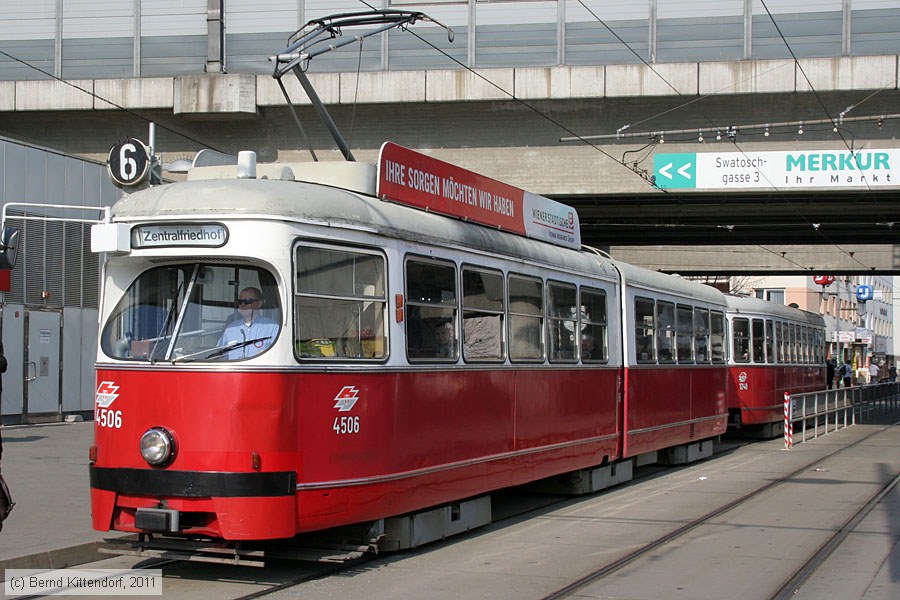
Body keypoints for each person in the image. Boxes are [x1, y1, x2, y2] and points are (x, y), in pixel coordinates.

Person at [218, 287, 279, 359]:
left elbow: (278, 356)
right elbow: (220, 355)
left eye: (247, 301)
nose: (242, 304)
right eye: (240, 302)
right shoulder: (231, 328)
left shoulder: (273, 327)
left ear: (259, 304)